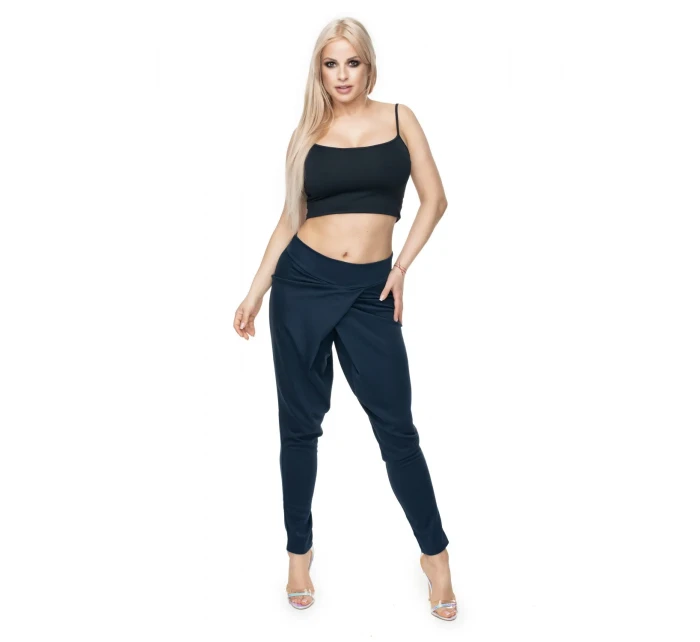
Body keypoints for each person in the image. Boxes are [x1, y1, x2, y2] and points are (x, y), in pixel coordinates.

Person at [233, 17, 457, 621]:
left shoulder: (400, 119)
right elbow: (290, 218)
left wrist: (401, 267)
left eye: (351, 62)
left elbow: (435, 200)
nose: (341, 75)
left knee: (397, 430)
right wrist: (255, 292)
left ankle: (435, 558)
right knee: (299, 428)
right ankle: (298, 554)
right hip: (302, 286)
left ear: (368, 65)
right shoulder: (306, 134)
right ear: (319, 71)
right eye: (330, 64)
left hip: (370, 291)